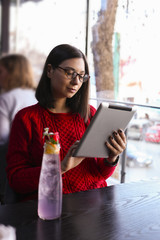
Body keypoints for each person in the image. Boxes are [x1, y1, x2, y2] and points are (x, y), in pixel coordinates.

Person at [6, 44, 127, 202]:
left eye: (82, 76)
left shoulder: (89, 113)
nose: (76, 82)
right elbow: (16, 180)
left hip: (94, 204)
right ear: (50, 70)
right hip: (51, 206)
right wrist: (60, 168)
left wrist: (112, 158)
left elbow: (99, 174)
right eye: (70, 73)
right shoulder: (26, 118)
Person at [0, 54, 37, 203]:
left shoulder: (6, 98)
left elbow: (1, 137)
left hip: (7, 163)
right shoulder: (36, 96)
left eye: (1, 72)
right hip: (32, 162)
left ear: (11, 73)